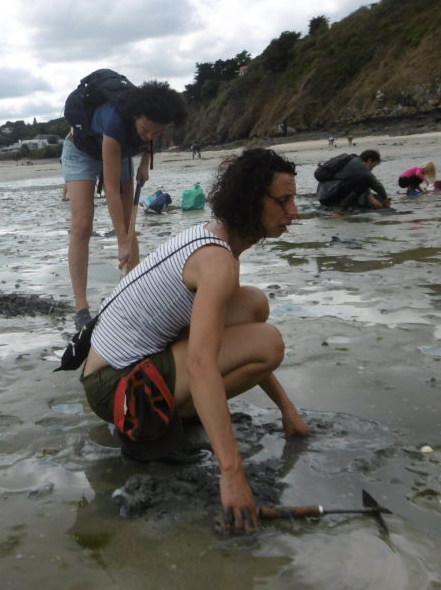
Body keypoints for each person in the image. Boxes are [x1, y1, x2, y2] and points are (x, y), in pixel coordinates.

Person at [79, 148, 309, 534]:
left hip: (124, 369)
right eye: (284, 200)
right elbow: (202, 364)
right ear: (253, 202)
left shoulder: (211, 238)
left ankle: (177, 414)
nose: (294, 211)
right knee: (268, 344)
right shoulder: (216, 262)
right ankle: (156, 430)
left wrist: (288, 409)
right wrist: (231, 471)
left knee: (253, 304)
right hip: (115, 389)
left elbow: (219, 341)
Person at [62, 80, 187, 331]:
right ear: (134, 117)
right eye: (145, 130)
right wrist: (121, 242)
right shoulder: (116, 122)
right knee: (82, 224)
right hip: (81, 151)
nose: (151, 136)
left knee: (130, 221)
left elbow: (147, 139)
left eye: (157, 132)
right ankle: (81, 307)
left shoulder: (150, 121)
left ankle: (134, 293)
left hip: (120, 153)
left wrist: (144, 163)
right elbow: (110, 188)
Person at [316, 149, 390, 209]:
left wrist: (369, 196)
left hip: (323, 194)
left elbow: (364, 181)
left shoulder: (354, 160)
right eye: (373, 166)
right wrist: (385, 199)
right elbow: (376, 184)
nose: (372, 169)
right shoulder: (361, 166)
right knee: (365, 180)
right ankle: (342, 208)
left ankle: (344, 206)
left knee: (363, 181)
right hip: (329, 197)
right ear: (369, 160)